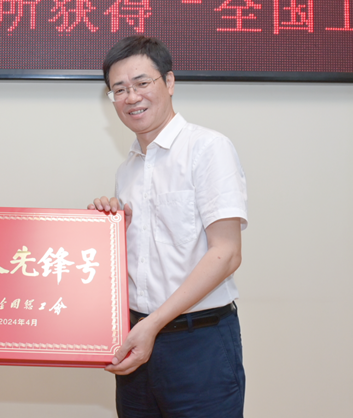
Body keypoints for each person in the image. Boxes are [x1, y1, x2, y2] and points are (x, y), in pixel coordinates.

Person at [89, 35, 247, 417]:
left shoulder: (208, 148)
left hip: (199, 345)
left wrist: (153, 324)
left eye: (142, 83)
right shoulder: (126, 170)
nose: (131, 97)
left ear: (170, 81)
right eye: (119, 90)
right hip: (136, 340)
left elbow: (227, 253)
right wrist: (110, 231)